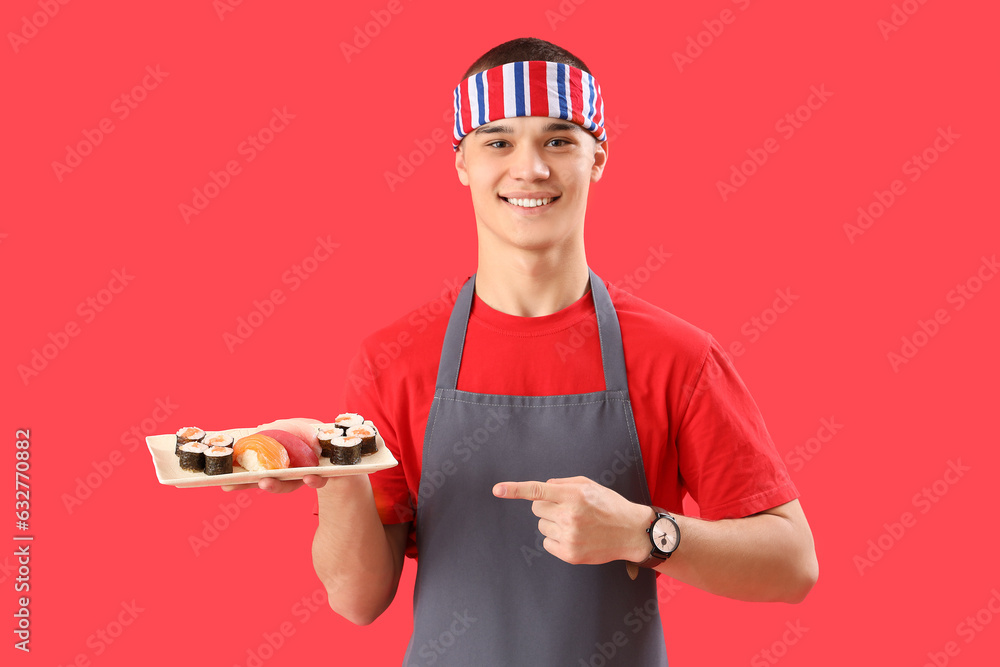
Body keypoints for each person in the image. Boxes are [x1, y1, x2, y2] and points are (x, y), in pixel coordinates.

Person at [224, 37, 818, 665]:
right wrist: (336, 472)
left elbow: (792, 564)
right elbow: (357, 599)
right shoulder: (392, 361)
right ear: (462, 163)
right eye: (498, 141)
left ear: (599, 156)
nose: (530, 168)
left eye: (559, 139)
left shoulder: (678, 357)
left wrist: (644, 534)